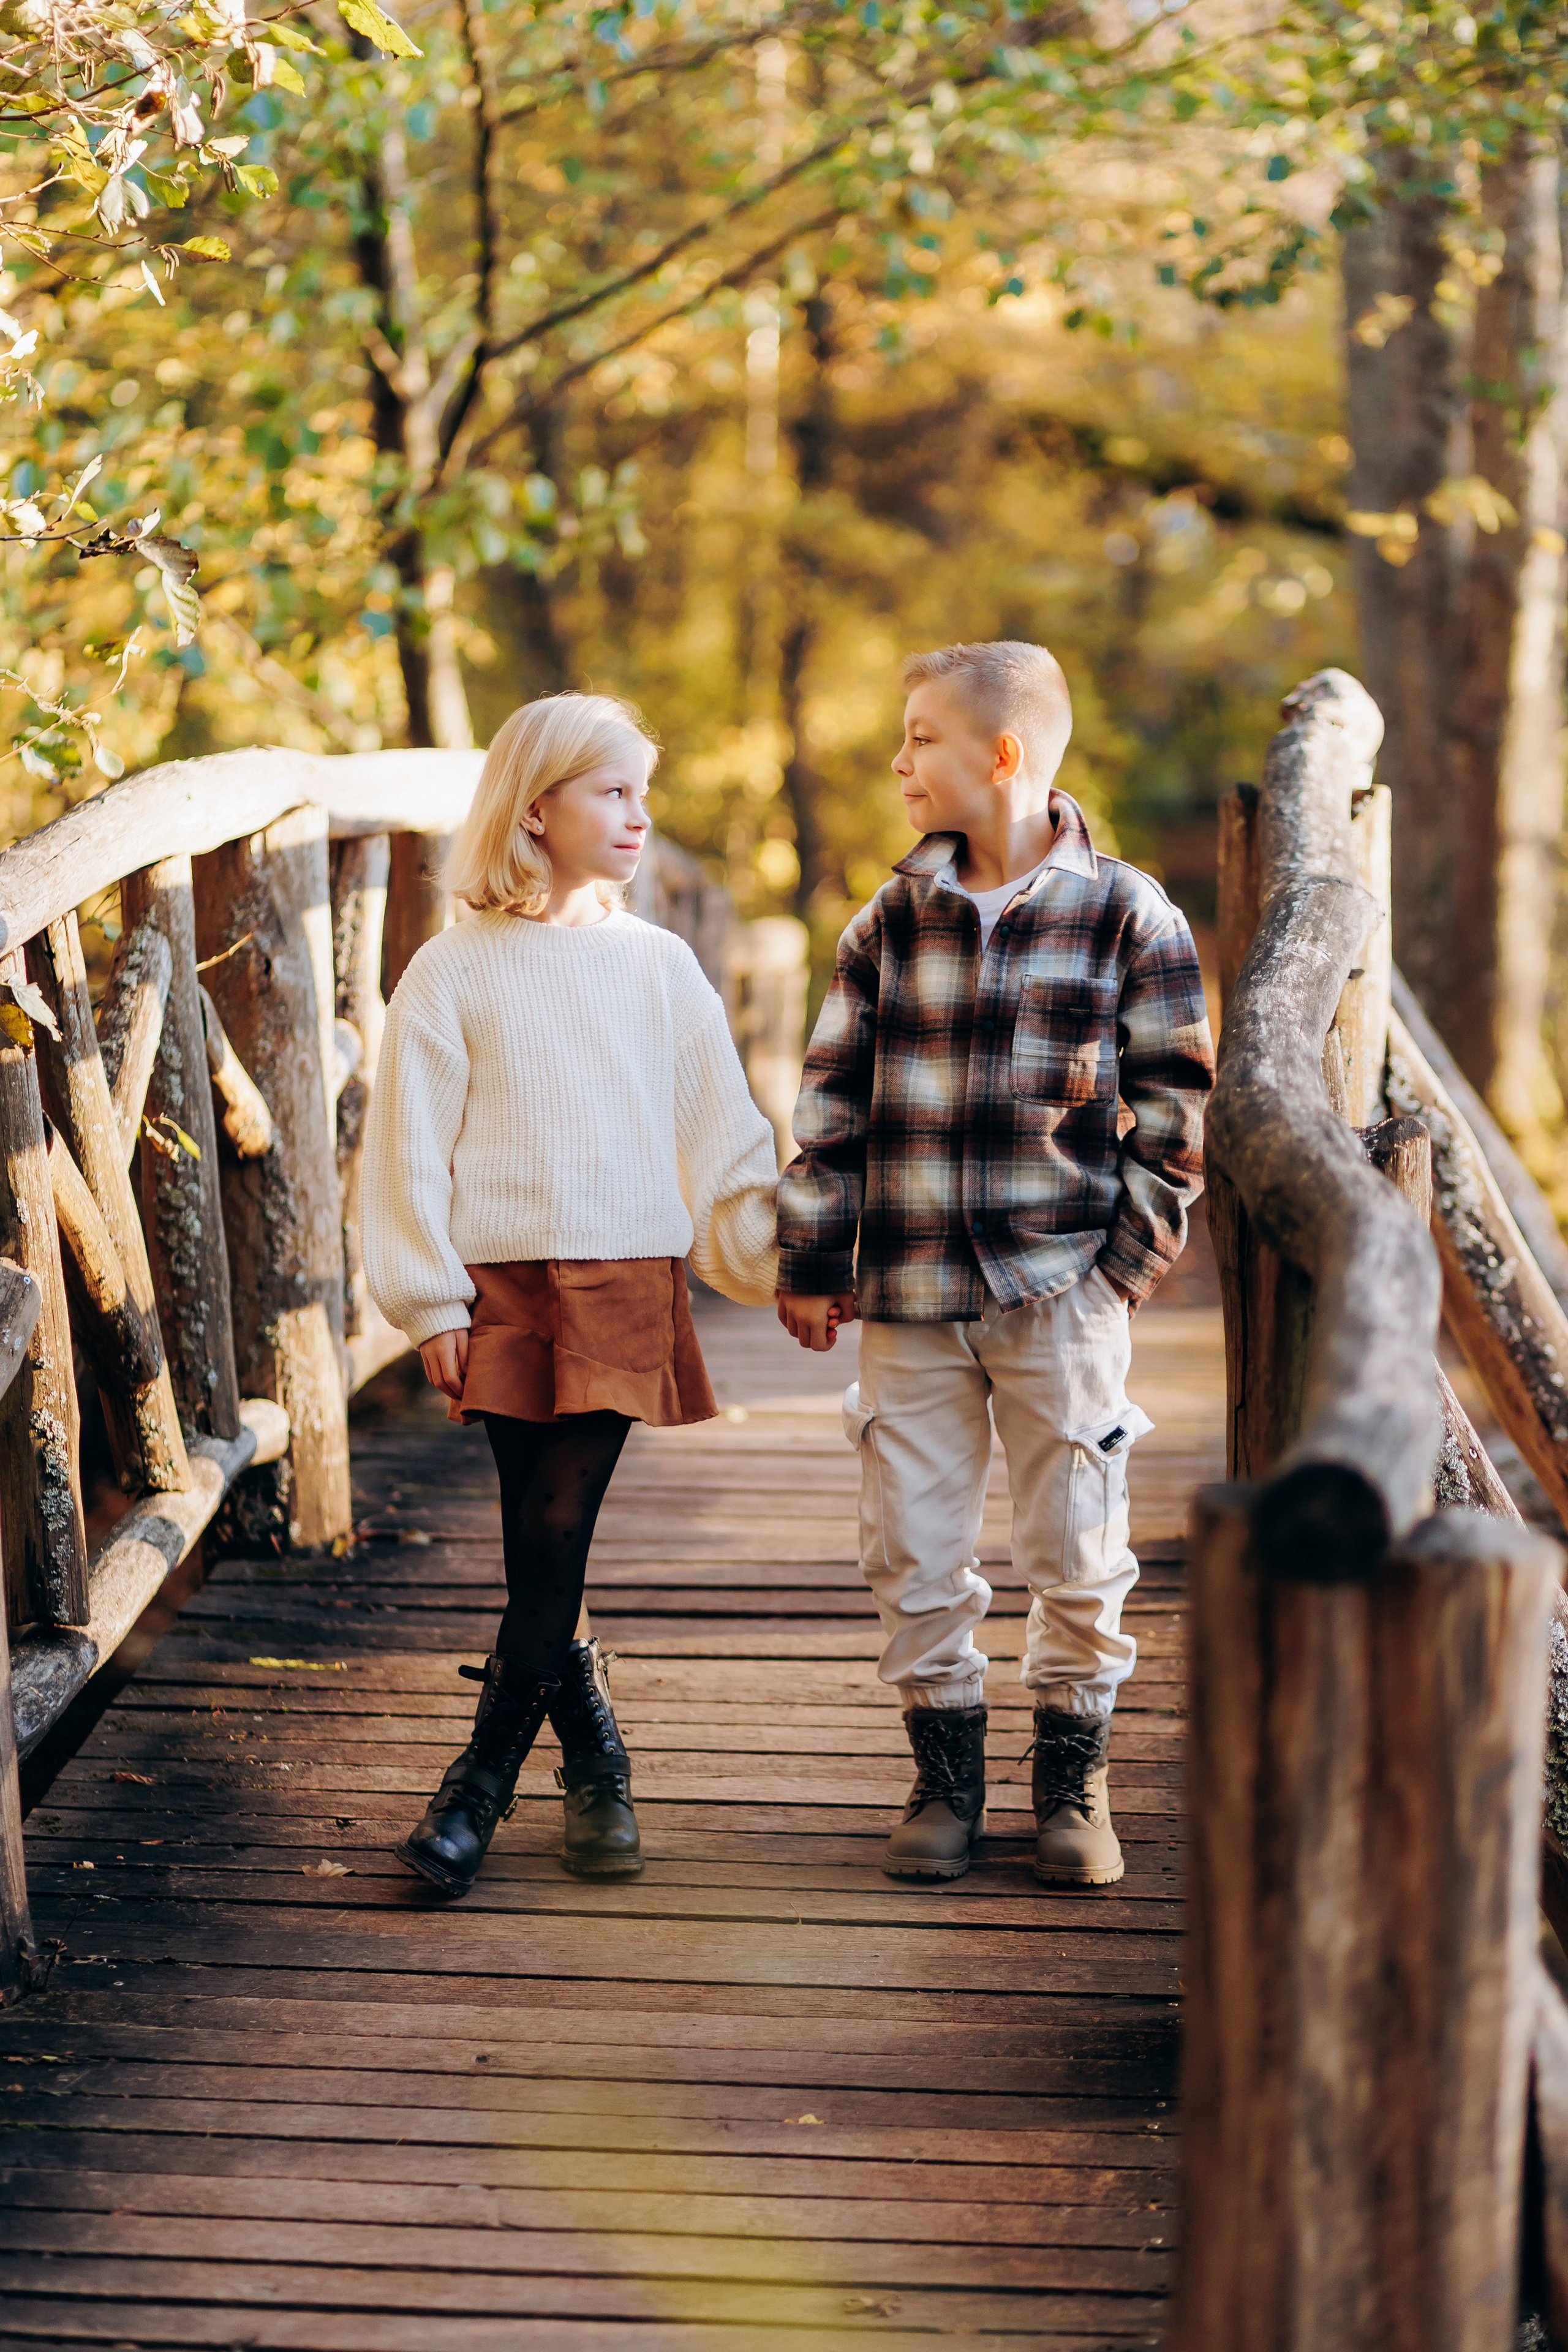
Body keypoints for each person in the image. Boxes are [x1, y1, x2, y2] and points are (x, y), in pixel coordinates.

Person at [776, 641, 1214, 1887]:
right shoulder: (889, 919)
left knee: (1077, 1545)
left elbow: (1176, 1107)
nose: (899, 761)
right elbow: (831, 1100)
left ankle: (1072, 1780)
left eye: (921, 738)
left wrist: (1120, 1270)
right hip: (910, 1289)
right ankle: (944, 1779)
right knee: (910, 1544)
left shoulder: (1127, 912)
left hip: (1058, 1283)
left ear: (1002, 754)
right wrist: (812, 1254)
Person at [361, 692, 779, 1898]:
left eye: (645, 793)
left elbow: (724, 1135)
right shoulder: (452, 970)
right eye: (614, 792)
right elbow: (405, 1148)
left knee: (554, 1529)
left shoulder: (660, 966)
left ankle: (476, 1788)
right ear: (536, 808)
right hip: (501, 1286)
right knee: (536, 1547)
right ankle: (595, 1755)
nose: (640, 816)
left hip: (623, 1277)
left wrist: (777, 1262)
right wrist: (430, 1302)